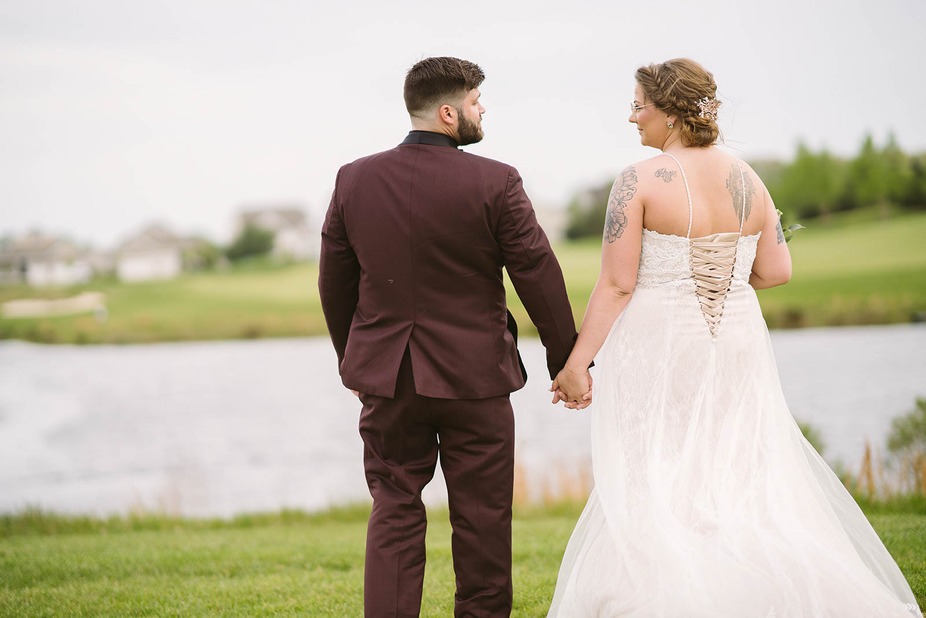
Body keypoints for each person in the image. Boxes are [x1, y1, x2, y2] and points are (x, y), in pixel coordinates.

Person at [547, 58, 922, 617]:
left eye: (638, 106)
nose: (631, 117)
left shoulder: (638, 180)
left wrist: (578, 363)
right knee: (735, 464)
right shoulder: (749, 179)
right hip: (738, 339)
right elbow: (776, 271)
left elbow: (619, 283)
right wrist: (721, 280)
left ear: (670, 112)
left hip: (663, 340)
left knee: (660, 464)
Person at [318, 56, 581, 617]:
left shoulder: (353, 179)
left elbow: (335, 284)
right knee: (483, 516)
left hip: (389, 380)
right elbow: (537, 273)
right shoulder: (496, 181)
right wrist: (566, 360)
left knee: (394, 506)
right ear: (447, 112)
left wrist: (357, 362)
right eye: (475, 102)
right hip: (475, 378)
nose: (483, 110)